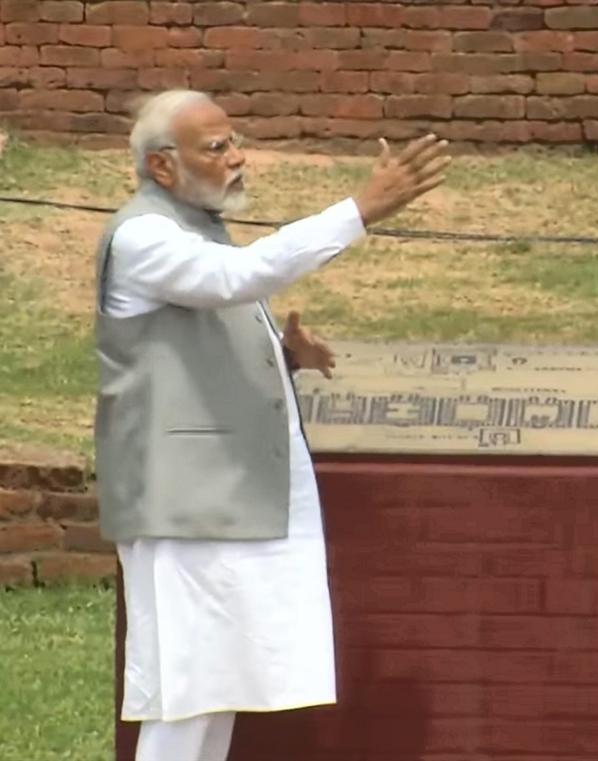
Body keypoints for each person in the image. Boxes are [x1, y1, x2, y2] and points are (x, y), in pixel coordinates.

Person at [94, 89, 450, 761]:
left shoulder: (195, 227)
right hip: (181, 504)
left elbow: (199, 329)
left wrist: (283, 355)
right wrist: (360, 210)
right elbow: (238, 277)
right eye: (216, 148)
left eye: (234, 142)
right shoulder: (144, 235)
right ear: (163, 167)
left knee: (217, 682)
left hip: (218, 501)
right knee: (188, 689)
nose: (237, 157)